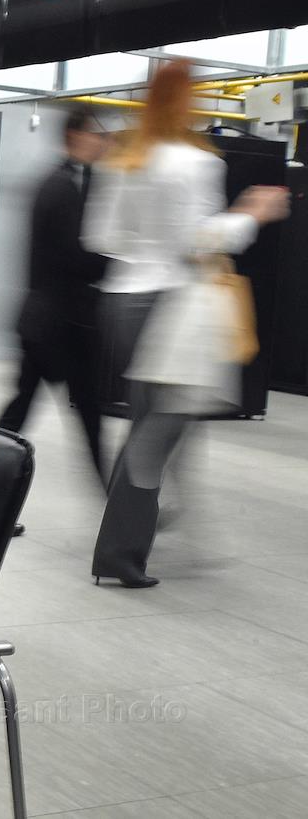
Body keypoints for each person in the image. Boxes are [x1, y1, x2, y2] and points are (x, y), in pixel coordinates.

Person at [81, 60, 289, 588]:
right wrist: (253, 213)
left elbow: (99, 237)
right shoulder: (195, 163)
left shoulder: (121, 159)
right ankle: (121, 552)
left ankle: (148, 539)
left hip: (121, 299)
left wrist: (145, 246)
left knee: (156, 424)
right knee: (159, 431)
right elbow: (202, 242)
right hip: (171, 302)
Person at [0, 106, 111, 493]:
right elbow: (72, 257)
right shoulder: (62, 187)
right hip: (59, 325)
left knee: (24, 410)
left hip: (48, 321)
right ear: (75, 135)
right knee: (84, 413)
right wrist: (115, 261)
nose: (103, 143)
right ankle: (114, 500)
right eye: (98, 135)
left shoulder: (64, 181)